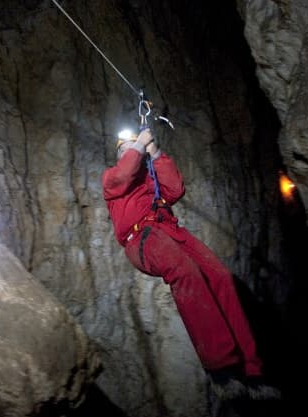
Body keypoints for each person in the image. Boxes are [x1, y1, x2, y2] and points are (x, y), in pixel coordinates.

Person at [102, 128, 281, 400]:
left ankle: (252, 371)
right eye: (126, 149)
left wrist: (155, 153)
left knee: (220, 276)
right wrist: (138, 144)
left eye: (133, 147)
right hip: (141, 237)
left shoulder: (151, 181)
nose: (132, 151)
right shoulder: (112, 179)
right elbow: (124, 173)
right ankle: (220, 369)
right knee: (185, 271)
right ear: (120, 156)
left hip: (171, 231)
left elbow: (175, 189)